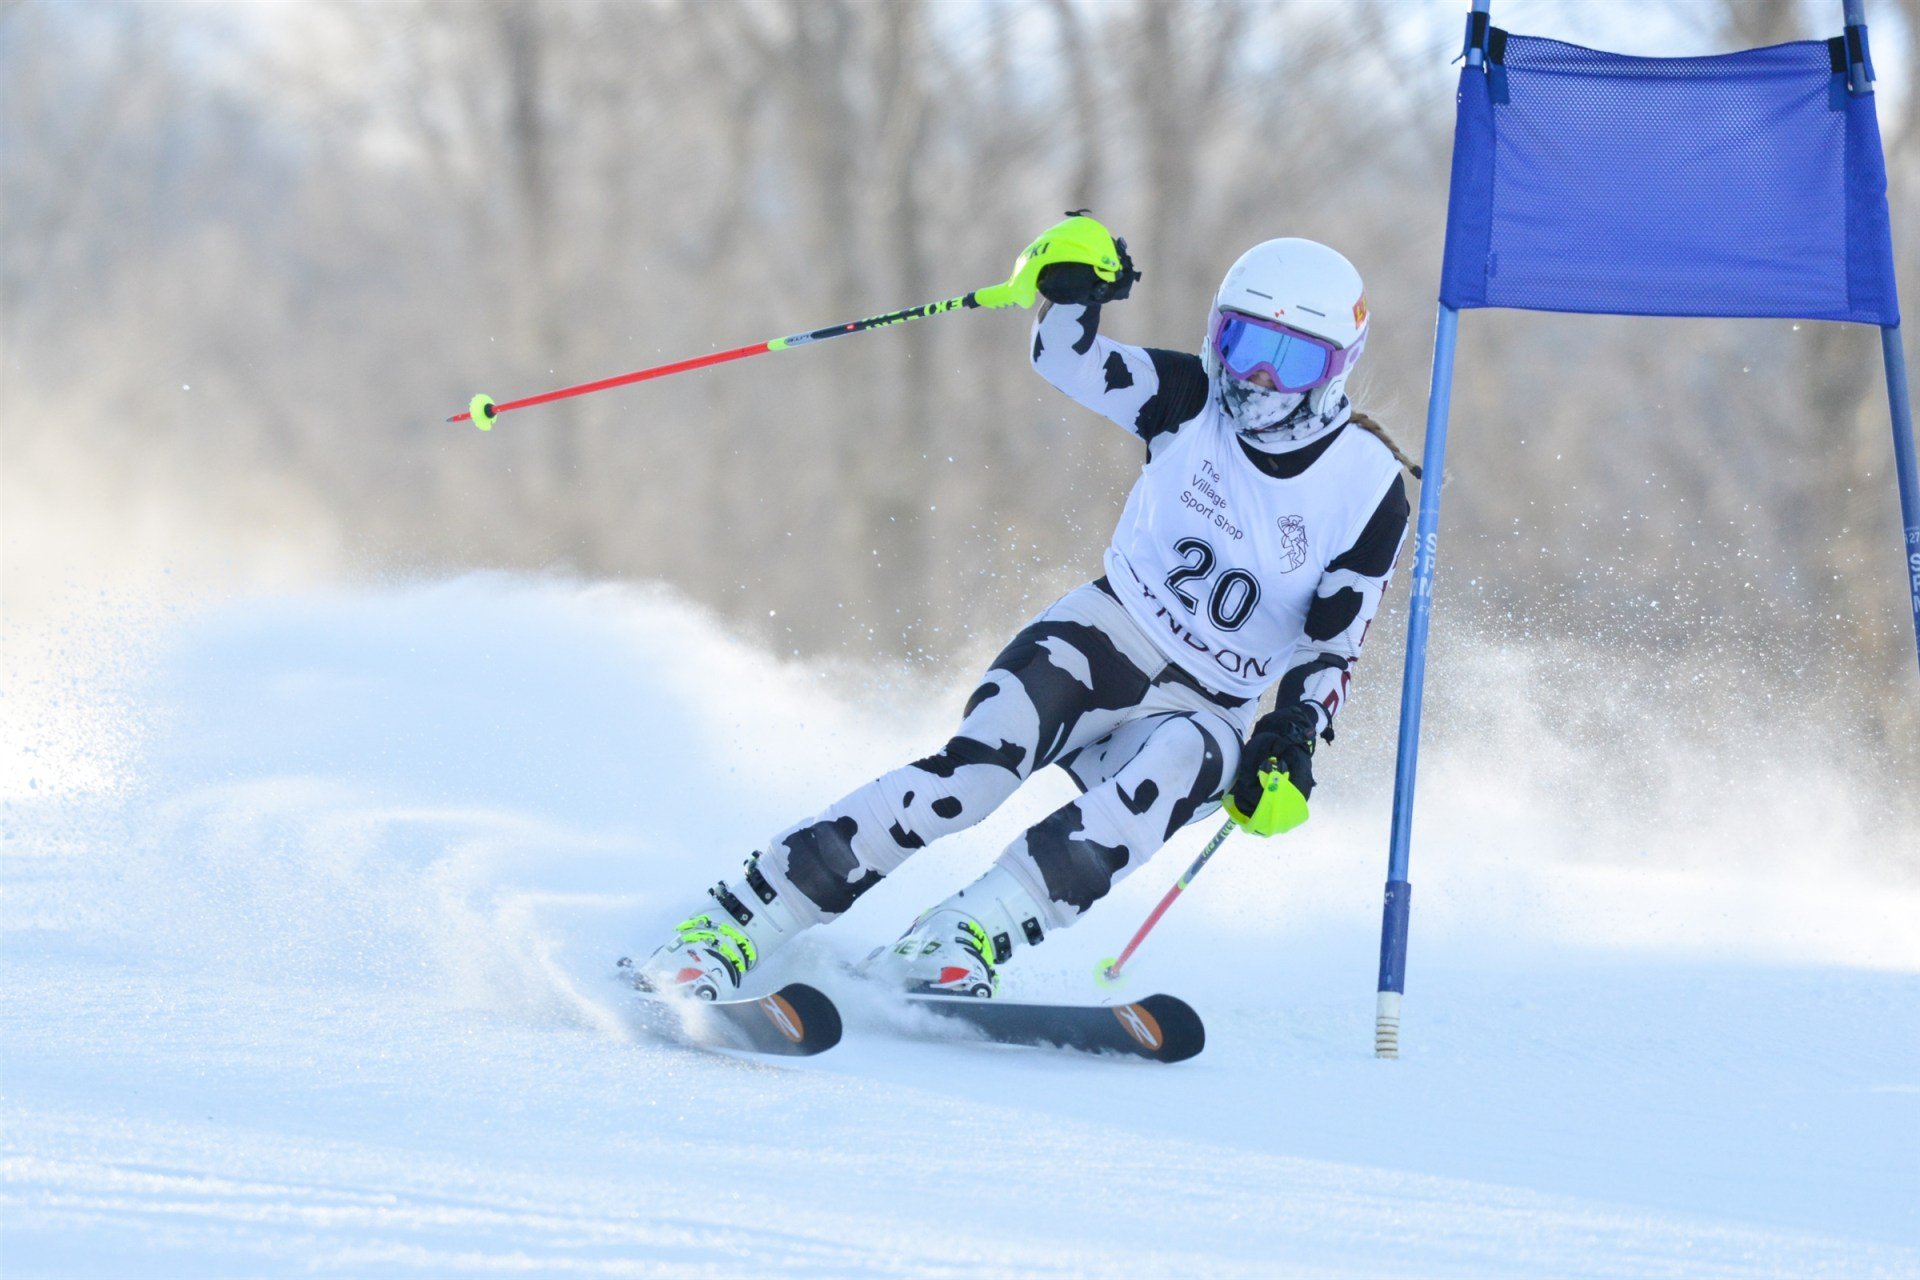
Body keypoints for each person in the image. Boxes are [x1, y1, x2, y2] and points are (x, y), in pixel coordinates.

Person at [637, 214, 1417, 1002]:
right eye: (1243, 345)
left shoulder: (1367, 489)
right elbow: (1066, 358)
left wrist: (1292, 737)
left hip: (1208, 702)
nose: (1256, 381)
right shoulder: (1188, 399)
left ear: (1337, 369)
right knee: (969, 778)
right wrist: (1076, 290)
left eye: (1291, 362)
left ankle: (956, 939)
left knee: (1173, 773)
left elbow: (1333, 644)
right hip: (1103, 639)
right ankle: (738, 918)